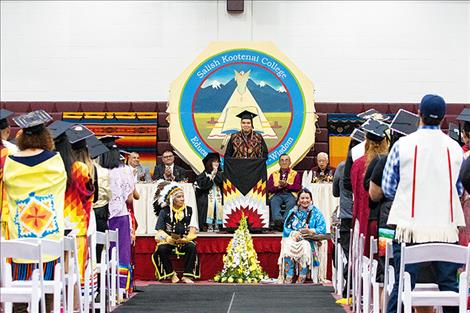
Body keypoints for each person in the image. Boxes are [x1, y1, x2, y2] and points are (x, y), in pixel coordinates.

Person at [383, 95, 465, 313]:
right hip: (446, 230)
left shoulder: (403, 145)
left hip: (410, 230)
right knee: (449, 287)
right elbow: (458, 190)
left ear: (419, 114)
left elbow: (388, 187)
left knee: (402, 285)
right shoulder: (455, 148)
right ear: (443, 119)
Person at [2, 110, 66, 313]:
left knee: (20, 289)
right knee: (48, 291)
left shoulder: (11, 162)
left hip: (20, 236)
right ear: (46, 137)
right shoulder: (55, 160)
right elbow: (60, 189)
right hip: (49, 235)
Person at [49, 121, 95, 286]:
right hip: (75, 220)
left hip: (51, 221)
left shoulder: (50, 167)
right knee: (75, 271)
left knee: (54, 268)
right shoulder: (80, 168)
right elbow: (88, 196)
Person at [99, 135, 137, 293]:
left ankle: (102, 285)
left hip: (100, 215)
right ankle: (121, 287)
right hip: (120, 215)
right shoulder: (126, 170)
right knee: (121, 250)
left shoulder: (99, 170)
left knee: (102, 251)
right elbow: (129, 198)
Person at [332, 130, 363, 300]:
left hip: (346, 217)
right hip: (363, 217)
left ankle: (348, 286)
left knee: (350, 253)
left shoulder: (342, 167)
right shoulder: (370, 164)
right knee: (361, 255)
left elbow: (335, 192)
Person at [351, 118, 389, 254]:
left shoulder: (357, 163)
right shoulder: (389, 162)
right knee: (384, 254)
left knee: (366, 255)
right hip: (385, 219)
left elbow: (350, 187)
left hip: (364, 218)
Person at [152, 182, 199, 283]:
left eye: (183, 196)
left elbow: (193, 228)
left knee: (191, 247)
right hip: (169, 241)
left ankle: (187, 275)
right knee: (161, 249)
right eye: (179, 197)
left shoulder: (189, 210)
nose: (182, 199)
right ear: (172, 199)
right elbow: (160, 230)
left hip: (184, 240)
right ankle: (171, 274)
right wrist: (169, 239)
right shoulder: (164, 211)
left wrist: (187, 238)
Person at [278, 189, 327, 284]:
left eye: (307, 198)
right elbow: (286, 228)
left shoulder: (316, 213)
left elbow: (322, 228)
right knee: (287, 244)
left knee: (305, 245)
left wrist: (311, 231)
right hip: (294, 239)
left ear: (311, 199)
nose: (305, 200)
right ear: (298, 200)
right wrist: (293, 233)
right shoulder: (292, 212)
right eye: (302, 198)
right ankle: (289, 275)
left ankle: (302, 276)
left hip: (308, 240)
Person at [267, 154, 301, 231]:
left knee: (291, 202)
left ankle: (285, 221)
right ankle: (278, 221)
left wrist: (286, 185)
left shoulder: (295, 174)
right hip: (277, 194)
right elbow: (269, 188)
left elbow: (297, 187)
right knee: (274, 201)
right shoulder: (273, 174)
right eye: (282, 160)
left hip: (290, 194)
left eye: (286, 160)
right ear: (279, 163)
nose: (284, 162)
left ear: (290, 162)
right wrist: (277, 187)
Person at [195, 152, 223, 232]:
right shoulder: (203, 175)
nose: (216, 163)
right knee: (207, 203)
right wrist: (211, 177)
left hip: (219, 195)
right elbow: (203, 186)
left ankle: (218, 224)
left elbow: (221, 182)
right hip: (206, 195)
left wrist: (215, 173)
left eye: (218, 161)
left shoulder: (221, 173)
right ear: (209, 163)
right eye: (214, 161)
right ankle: (208, 225)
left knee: (219, 203)